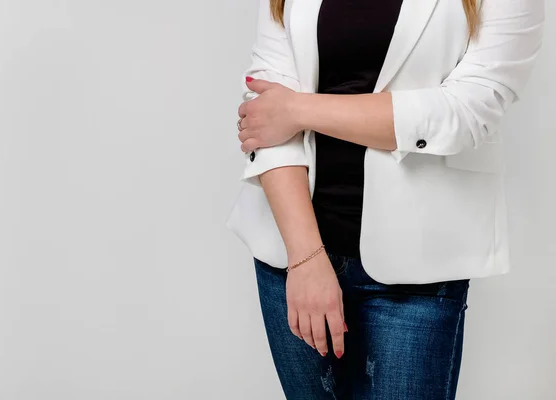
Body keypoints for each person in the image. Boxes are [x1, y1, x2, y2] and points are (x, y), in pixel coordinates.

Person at [225, 0, 545, 398]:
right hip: (291, 253)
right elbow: (264, 110)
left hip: (416, 274)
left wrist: (298, 108)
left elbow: (467, 113)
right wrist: (305, 258)